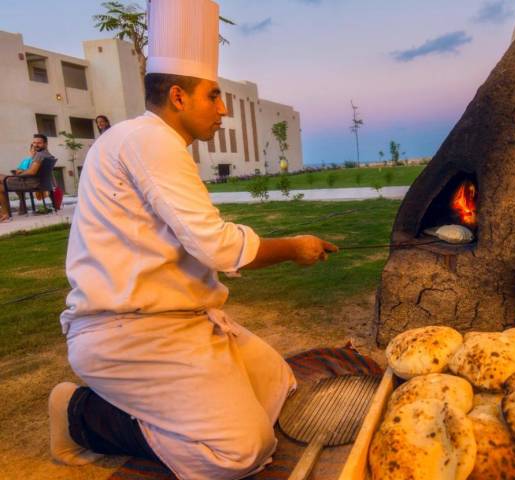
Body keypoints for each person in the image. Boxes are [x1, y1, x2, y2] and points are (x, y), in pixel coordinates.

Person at [48, 1, 337, 478]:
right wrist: (293, 247)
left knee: (277, 385)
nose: (223, 109)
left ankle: (172, 408)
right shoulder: (148, 140)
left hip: (183, 322)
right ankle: (81, 414)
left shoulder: (151, 142)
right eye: (214, 95)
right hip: (127, 334)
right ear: (178, 96)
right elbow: (216, 246)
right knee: (243, 451)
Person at [0, 133, 52, 222]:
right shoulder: (48, 155)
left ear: (45, 144)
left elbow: (32, 171)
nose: (36, 145)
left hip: (30, 183)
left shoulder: (39, 155)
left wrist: (18, 175)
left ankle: (5, 214)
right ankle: (4, 213)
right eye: (34, 143)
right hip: (35, 181)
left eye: (39, 143)